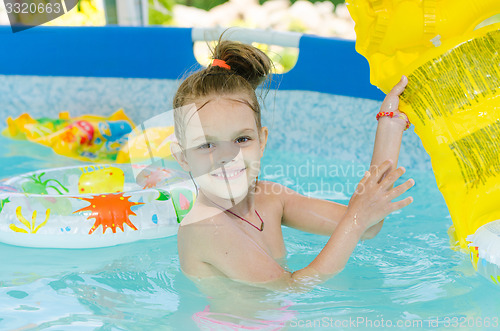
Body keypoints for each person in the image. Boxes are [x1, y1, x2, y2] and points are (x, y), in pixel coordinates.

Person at [170, 38, 414, 293]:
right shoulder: (205, 226)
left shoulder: (271, 199)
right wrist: (357, 218)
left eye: (242, 139)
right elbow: (291, 287)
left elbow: (368, 225)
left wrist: (390, 124)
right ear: (182, 156)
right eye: (207, 144)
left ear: (262, 141)